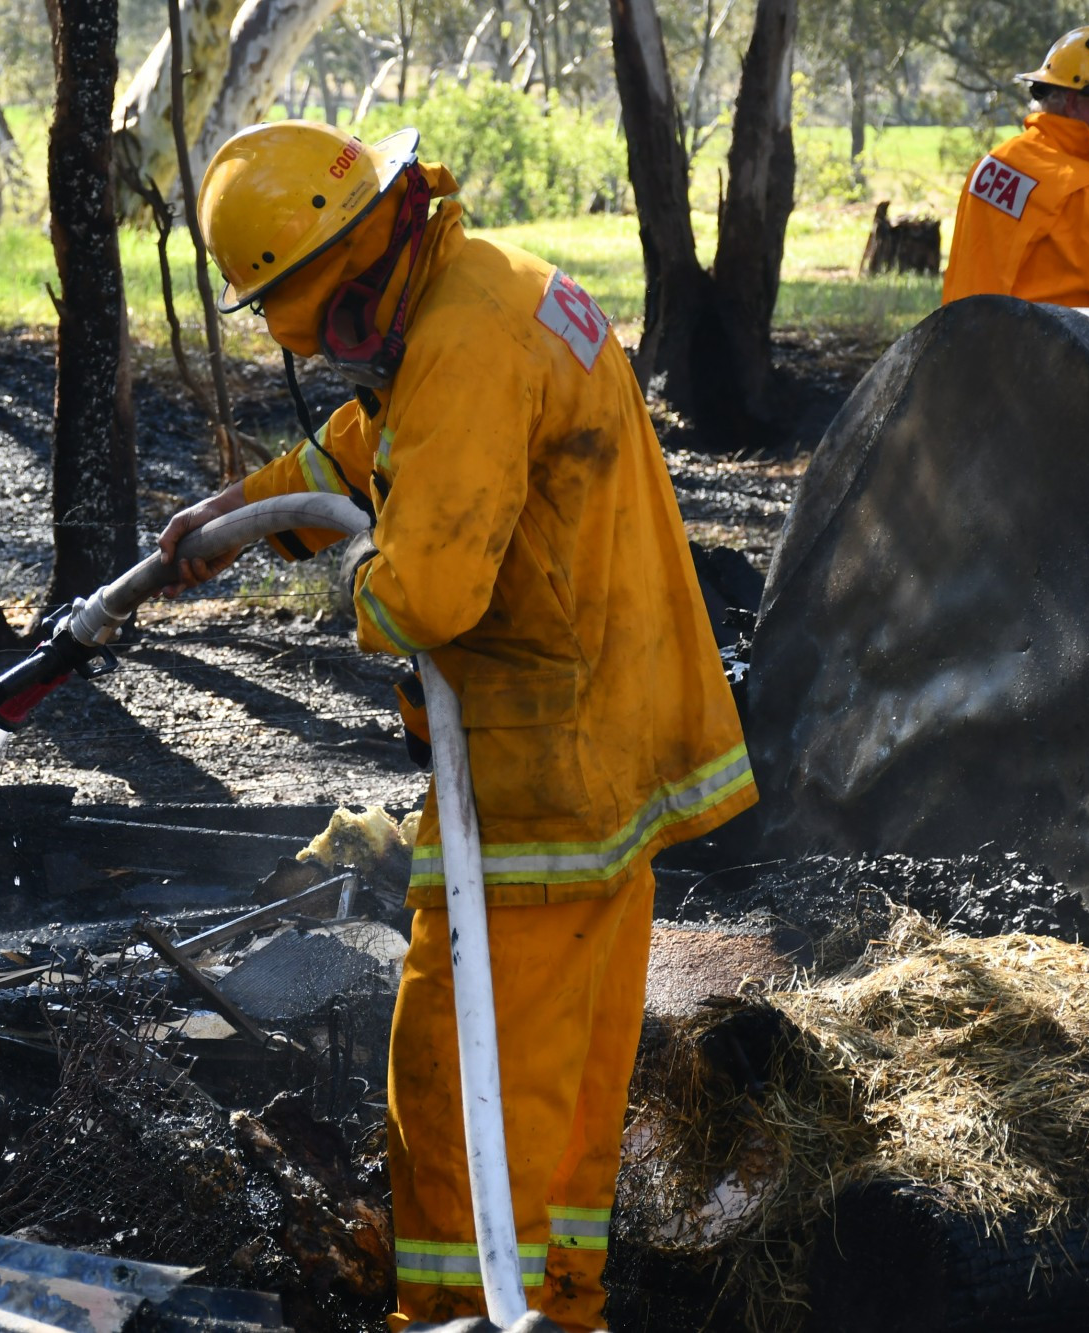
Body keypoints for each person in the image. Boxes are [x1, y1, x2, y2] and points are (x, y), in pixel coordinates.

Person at [156, 121, 755, 1331]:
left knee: (454, 1094)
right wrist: (236, 516)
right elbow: (375, 437)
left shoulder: (462, 342)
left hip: (536, 778)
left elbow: (426, 591)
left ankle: (451, 1317)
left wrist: (356, 584)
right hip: (613, 751)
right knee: (564, 1100)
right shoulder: (477, 287)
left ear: (337, 283)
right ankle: (558, 1306)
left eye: (308, 321)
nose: (318, 349)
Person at [943, 25, 1089, 312]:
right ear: (1074, 103)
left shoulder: (995, 163)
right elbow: (1085, 217)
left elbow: (1058, 236)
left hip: (965, 349)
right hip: (1055, 356)